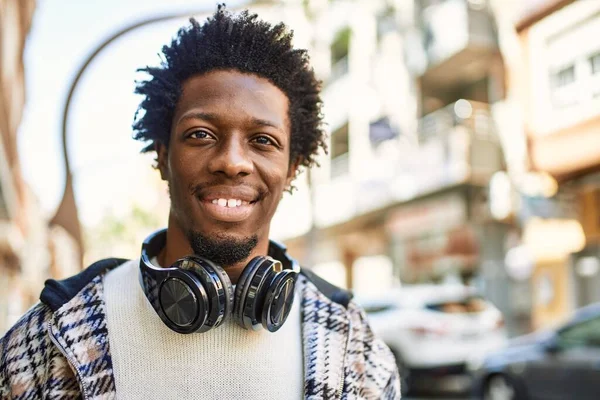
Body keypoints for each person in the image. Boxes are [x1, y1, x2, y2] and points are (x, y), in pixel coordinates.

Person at [0, 6, 400, 399]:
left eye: (263, 140)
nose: (232, 161)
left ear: (293, 168)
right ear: (162, 155)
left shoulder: (355, 348)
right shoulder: (48, 340)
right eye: (201, 134)